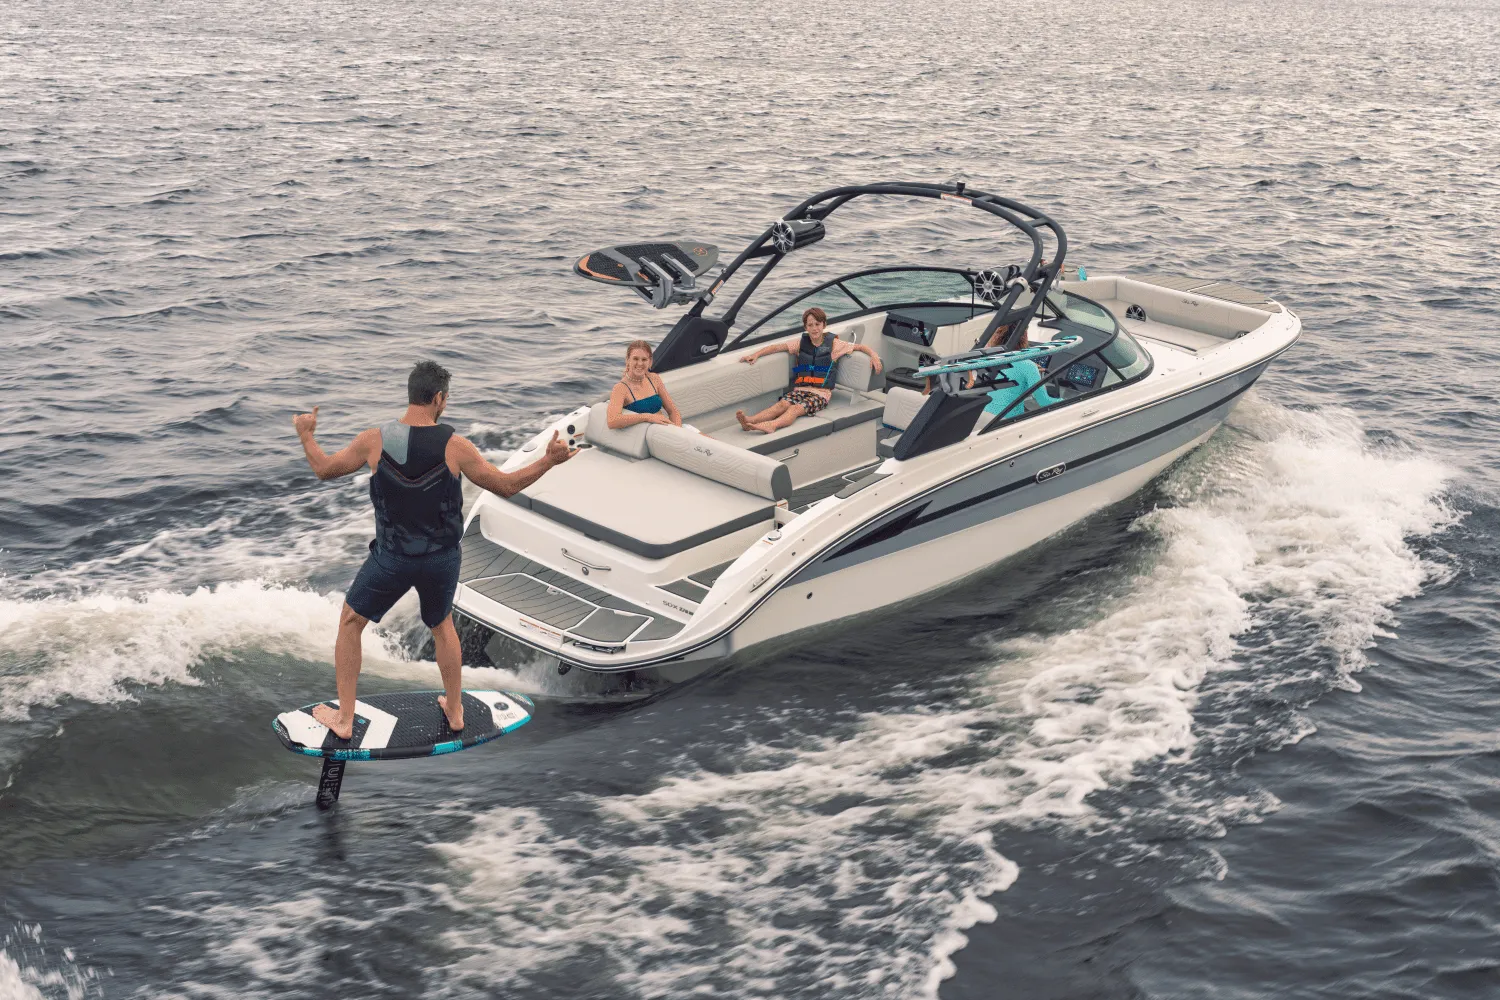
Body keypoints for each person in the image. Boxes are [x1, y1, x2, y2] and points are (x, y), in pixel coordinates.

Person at [291, 360, 574, 740]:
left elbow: (324, 469)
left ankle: (345, 719)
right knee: (442, 626)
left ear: (411, 394)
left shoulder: (373, 441)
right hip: (441, 560)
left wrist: (306, 435)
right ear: (439, 398)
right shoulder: (456, 447)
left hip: (391, 559)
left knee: (351, 623)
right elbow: (505, 486)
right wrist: (549, 460)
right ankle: (455, 711)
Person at [734, 307, 883, 434]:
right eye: (810, 325)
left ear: (824, 325)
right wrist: (756, 355)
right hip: (801, 389)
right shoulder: (800, 343)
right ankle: (749, 421)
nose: (814, 328)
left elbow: (860, 347)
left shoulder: (835, 344)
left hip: (821, 394)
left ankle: (772, 425)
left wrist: (874, 356)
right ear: (806, 327)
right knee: (781, 405)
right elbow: (776, 347)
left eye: (817, 324)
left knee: (794, 409)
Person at [606, 339, 683, 429]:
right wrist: (646, 417)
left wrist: (677, 431)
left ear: (650, 361)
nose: (640, 363)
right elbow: (612, 421)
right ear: (627, 360)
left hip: (666, 431)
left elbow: (673, 411)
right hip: (647, 435)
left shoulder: (654, 379)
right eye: (635, 359)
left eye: (644, 359)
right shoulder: (621, 388)